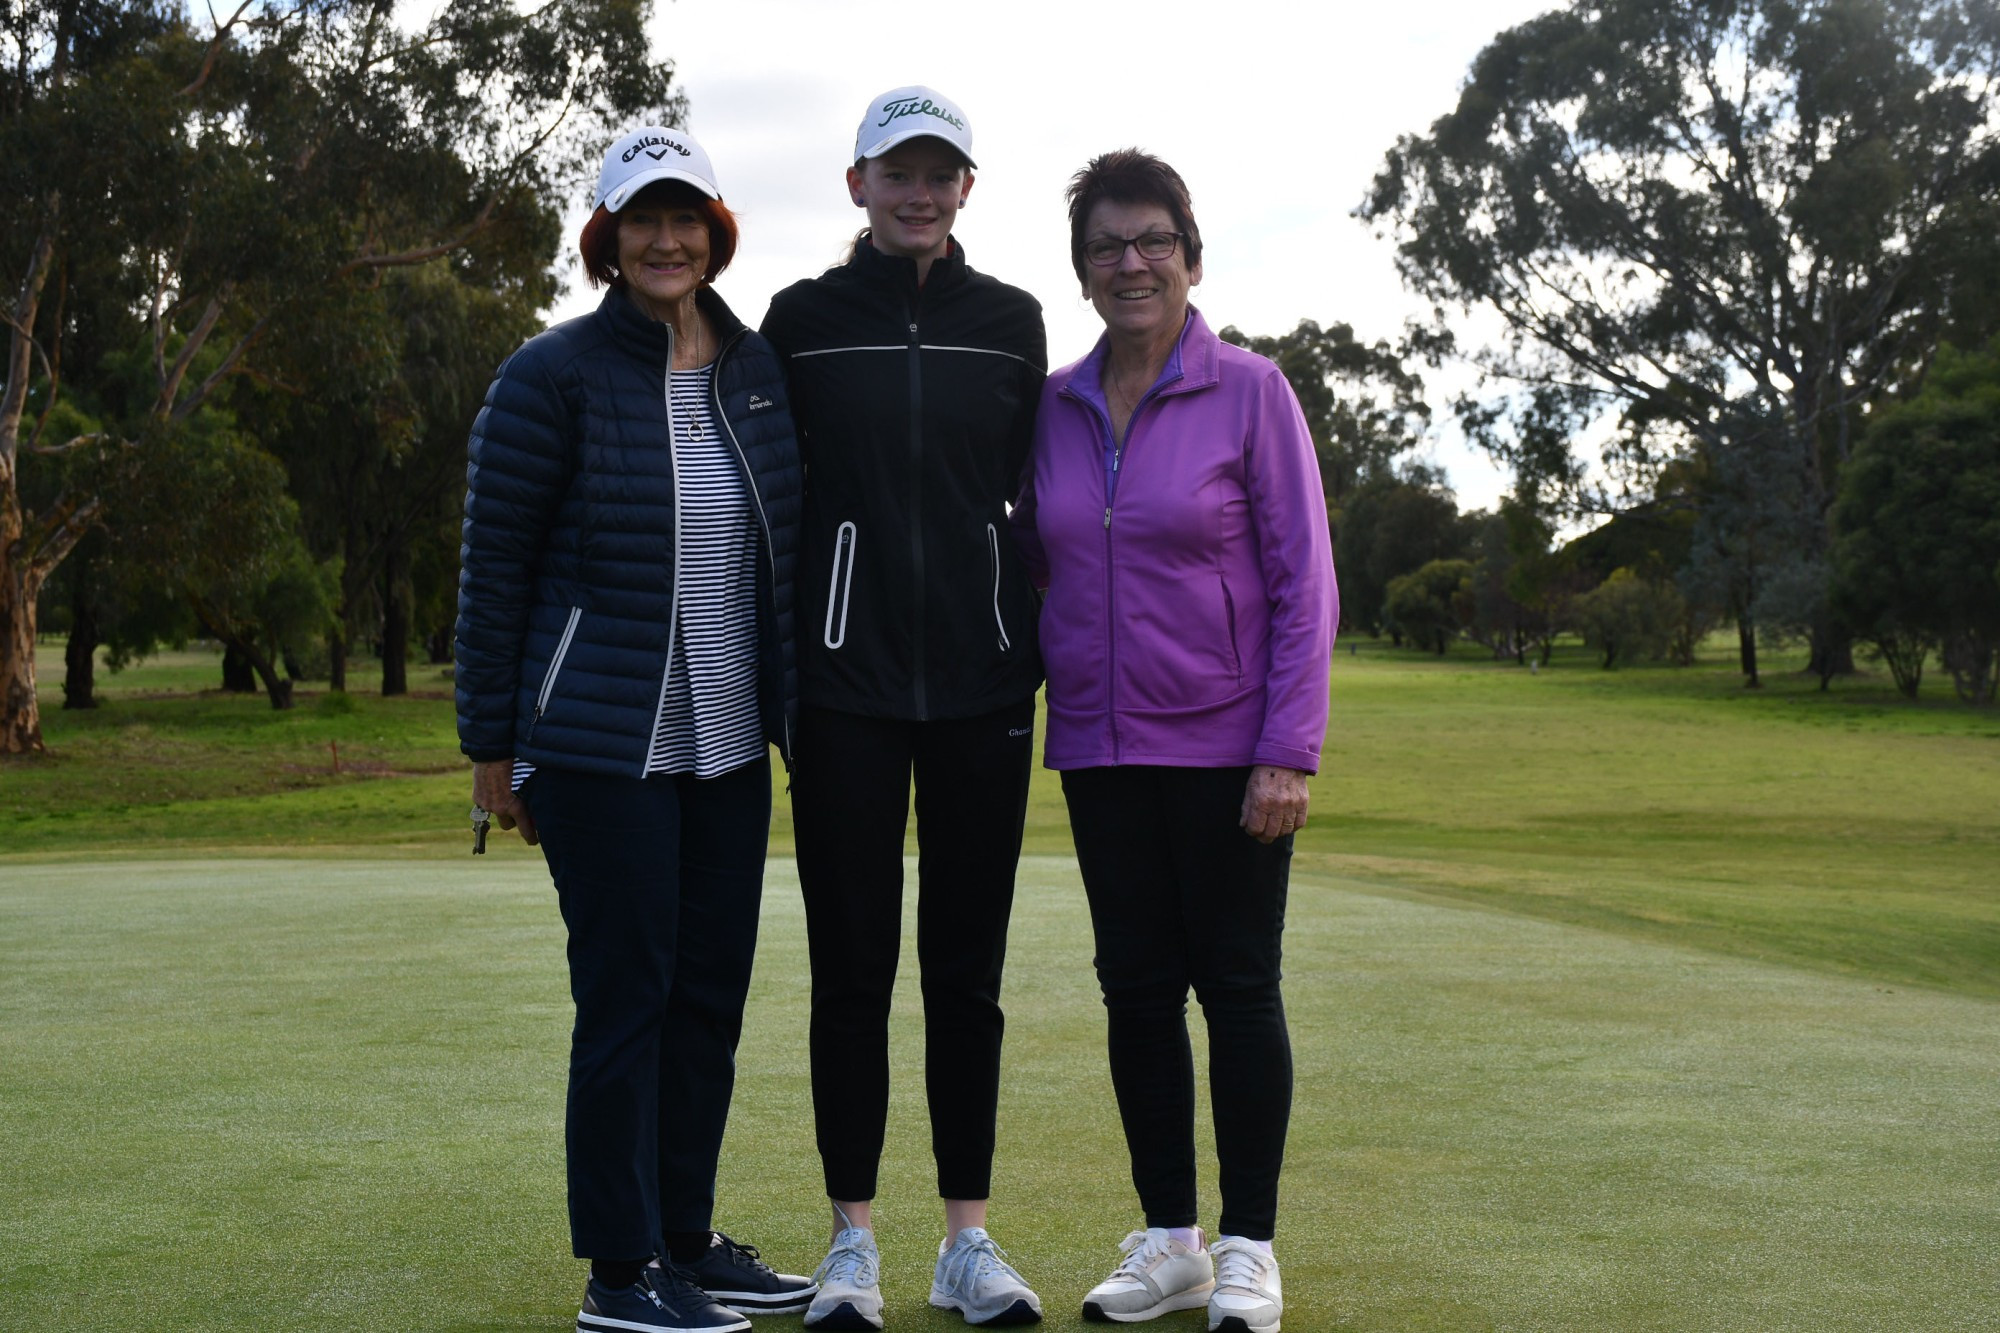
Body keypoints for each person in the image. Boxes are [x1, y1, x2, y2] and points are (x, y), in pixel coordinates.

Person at [455, 125, 818, 1333]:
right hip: (597, 746)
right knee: (628, 997)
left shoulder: (756, 370)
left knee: (708, 995)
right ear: (606, 239)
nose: (665, 240)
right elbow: (492, 571)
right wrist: (490, 749)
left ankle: (682, 1236)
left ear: (716, 231)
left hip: (725, 746)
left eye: (686, 219)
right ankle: (618, 1273)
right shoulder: (548, 375)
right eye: (640, 220)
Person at [1011, 150, 1337, 1333]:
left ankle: (1247, 1244)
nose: (1130, 261)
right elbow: (1036, 564)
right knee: (1135, 992)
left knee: (1237, 987)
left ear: (1190, 260)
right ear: (1083, 273)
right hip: (1099, 748)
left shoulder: (1251, 390)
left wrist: (1287, 745)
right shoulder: (1048, 404)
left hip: (1228, 748)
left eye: (1151, 240)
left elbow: (1306, 583)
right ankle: (1169, 1240)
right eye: (1106, 246)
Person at [759, 85, 1048, 1331]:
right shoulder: (800, 322)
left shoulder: (1012, 323)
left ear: (965, 190)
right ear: (857, 184)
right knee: (851, 973)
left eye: (940, 173)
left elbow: (1036, 497)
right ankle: (851, 1243)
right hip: (843, 690)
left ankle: (966, 1245)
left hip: (983, 684)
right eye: (896, 171)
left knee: (966, 976)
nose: (918, 191)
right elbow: (773, 499)